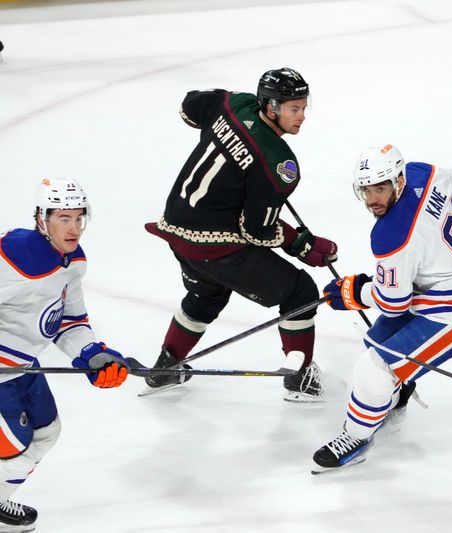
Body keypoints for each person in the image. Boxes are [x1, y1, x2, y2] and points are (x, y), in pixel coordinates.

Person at [143, 67, 339, 401]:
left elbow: (190, 107)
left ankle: (167, 365)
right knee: (301, 292)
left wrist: (221, 125)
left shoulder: (235, 104)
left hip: (176, 228)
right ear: (271, 107)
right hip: (215, 245)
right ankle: (300, 379)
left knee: (207, 295)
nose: (302, 116)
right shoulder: (278, 162)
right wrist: (301, 243)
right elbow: (257, 230)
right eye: (294, 108)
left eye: (304, 107)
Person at [311, 144, 452, 472]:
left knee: (374, 370)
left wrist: (354, 293)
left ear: (399, 180)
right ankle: (396, 396)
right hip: (449, 286)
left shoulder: (392, 235)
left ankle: (357, 438)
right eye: (366, 189)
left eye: (381, 188)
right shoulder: (424, 173)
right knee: (375, 342)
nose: (373, 199)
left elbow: (393, 303)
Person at [0, 178, 129, 530]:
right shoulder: (15, 255)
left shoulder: (72, 261)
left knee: (46, 432)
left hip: (24, 368)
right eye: (63, 218)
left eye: (78, 218)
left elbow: (70, 321)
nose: (73, 228)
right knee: (14, 449)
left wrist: (92, 354)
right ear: (42, 219)